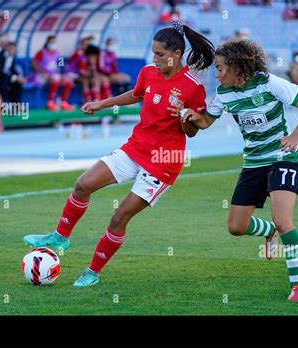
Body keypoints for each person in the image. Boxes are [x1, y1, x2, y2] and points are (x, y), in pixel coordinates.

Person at [23, 20, 215, 288]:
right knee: (83, 185)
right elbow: (136, 95)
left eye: (160, 55)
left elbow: (193, 130)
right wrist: (103, 103)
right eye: (154, 53)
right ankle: (60, 237)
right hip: (135, 147)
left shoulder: (193, 87)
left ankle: (92, 272)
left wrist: (184, 116)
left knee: (119, 217)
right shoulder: (149, 72)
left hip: (163, 163)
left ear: (176, 55)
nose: (155, 59)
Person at [176, 39, 298, 301]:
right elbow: (205, 122)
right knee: (236, 227)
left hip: (281, 158)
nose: (216, 74)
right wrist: (194, 118)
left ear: (238, 67)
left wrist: (295, 136)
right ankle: (268, 231)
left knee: (284, 220)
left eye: (220, 68)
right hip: (252, 162)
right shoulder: (223, 93)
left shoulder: (269, 83)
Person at [30, 35, 75, 111]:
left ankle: (63, 102)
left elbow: (61, 64)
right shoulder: (41, 52)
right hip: (41, 75)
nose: (53, 44)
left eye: (54, 42)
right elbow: (33, 63)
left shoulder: (57, 53)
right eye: (51, 42)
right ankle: (50, 102)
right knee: (55, 79)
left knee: (68, 81)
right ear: (47, 43)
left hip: (54, 74)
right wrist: (43, 72)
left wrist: (63, 73)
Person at [65, 36, 94, 103]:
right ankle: (87, 101)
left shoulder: (87, 54)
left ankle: (96, 99)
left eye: (87, 44)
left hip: (78, 74)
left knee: (95, 80)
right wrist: (90, 74)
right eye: (84, 44)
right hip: (71, 74)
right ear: (81, 45)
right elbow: (81, 71)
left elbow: (87, 68)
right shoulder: (78, 53)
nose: (85, 46)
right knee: (85, 80)